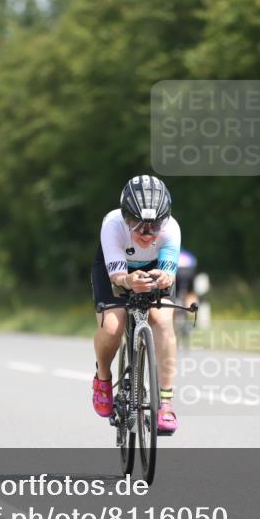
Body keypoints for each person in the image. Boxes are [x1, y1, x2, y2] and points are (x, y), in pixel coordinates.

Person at [91, 175, 181, 433]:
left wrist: (165, 276)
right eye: (137, 224)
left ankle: (165, 403)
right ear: (124, 217)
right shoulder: (112, 225)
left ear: (164, 221)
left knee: (162, 320)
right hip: (116, 269)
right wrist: (128, 280)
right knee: (112, 327)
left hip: (152, 268)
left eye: (154, 227)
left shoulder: (172, 229)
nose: (145, 233)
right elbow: (117, 278)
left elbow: (169, 273)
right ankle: (103, 378)